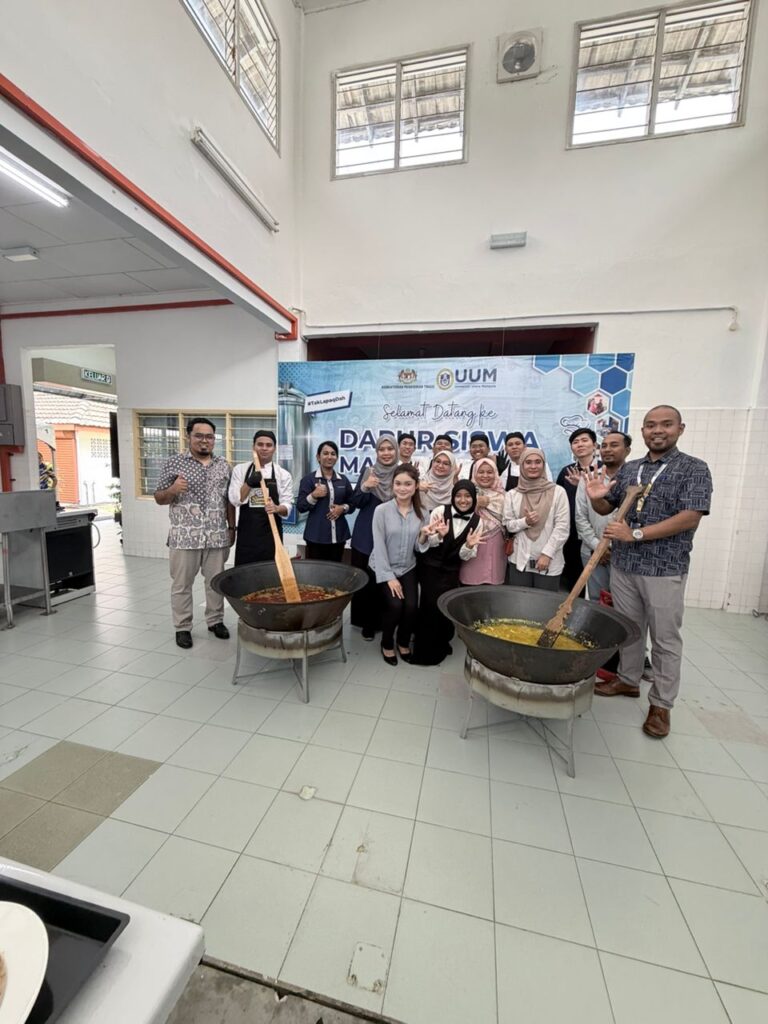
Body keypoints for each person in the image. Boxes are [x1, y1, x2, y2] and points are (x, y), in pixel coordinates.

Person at [585, 405, 713, 738]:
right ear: (642, 431)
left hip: (664, 568)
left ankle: (661, 705)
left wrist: (636, 534)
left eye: (666, 424)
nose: (658, 430)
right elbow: (608, 505)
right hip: (624, 566)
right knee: (629, 630)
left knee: (665, 638)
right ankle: (628, 680)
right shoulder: (631, 469)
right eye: (650, 425)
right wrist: (596, 498)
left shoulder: (694, 469)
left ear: (680, 429)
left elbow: (691, 516)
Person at [154, 417, 235, 648]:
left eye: (209, 436)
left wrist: (232, 528)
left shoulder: (224, 465)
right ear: (188, 436)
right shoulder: (174, 463)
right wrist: (172, 489)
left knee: (215, 583)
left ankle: (215, 621)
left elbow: (229, 501)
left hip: (216, 536)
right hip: (184, 538)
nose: (204, 440)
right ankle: (182, 627)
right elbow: (159, 497)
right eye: (199, 435)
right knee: (182, 585)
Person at [412, 480, 483, 665]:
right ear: (453, 496)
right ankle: (424, 653)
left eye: (467, 496)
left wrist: (469, 545)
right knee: (429, 608)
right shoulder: (439, 511)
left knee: (444, 608)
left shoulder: (478, 521)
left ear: (474, 498)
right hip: (430, 567)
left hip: (451, 571)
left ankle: (442, 644)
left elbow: (465, 556)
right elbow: (428, 543)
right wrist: (439, 536)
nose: (463, 500)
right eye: (458, 495)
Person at [369, 463, 431, 665]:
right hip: (383, 566)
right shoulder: (381, 511)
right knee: (395, 606)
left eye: (407, 484)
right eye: (398, 483)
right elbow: (379, 546)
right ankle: (387, 643)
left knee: (412, 606)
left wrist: (423, 536)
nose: (402, 488)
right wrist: (389, 578)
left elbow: (419, 547)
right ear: (392, 485)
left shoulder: (423, 513)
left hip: (407, 566)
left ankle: (403, 642)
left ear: (416, 486)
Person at [349, 435, 398, 640]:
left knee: (384, 580)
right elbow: (355, 502)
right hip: (366, 534)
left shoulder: (401, 473)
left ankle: (384, 622)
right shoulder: (369, 471)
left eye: (390, 449)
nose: (386, 453)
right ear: (376, 452)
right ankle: (365, 623)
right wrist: (365, 486)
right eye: (381, 449)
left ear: (396, 451)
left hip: (390, 534)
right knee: (365, 580)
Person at [575, 432, 632, 599]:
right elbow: (580, 516)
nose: (607, 450)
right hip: (592, 550)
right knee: (596, 600)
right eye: (604, 446)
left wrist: (612, 547)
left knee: (624, 602)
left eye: (614, 445)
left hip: (625, 553)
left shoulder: (636, 479)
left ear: (627, 450)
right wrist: (598, 546)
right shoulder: (589, 478)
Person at [503, 448, 569, 590]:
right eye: (528, 462)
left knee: (545, 602)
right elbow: (508, 524)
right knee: (519, 601)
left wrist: (547, 554)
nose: (533, 466)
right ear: (522, 465)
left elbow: (562, 527)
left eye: (538, 462)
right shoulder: (512, 495)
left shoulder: (558, 492)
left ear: (544, 465)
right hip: (519, 561)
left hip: (549, 561)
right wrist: (525, 522)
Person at [229, 430, 293, 567]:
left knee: (270, 574)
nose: (264, 448)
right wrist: (249, 483)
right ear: (253, 447)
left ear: (274, 449)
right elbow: (235, 500)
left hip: (271, 536)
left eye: (269, 445)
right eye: (260, 444)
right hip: (247, 536)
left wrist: (276, 508)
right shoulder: (240, 470)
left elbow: (287, 506)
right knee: (244, 574)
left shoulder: (283, 474)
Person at [556, 427, 600, 590]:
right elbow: (558, 501)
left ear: (594, 445)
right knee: (573, 580)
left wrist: (582, 485)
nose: (580, 444)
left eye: (584, 440)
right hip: (571, 534)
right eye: (575, 442)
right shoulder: (566, 472)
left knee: (597, 583)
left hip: (596, 534)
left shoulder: (603, 470)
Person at [296, 440, 353, 561]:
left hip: (338, 537)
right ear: (318, 457)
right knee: (316, 571)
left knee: (335, 569)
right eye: (325, 453)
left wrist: (342, 508)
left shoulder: (343, 480)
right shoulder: (308, 480)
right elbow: (300, 506)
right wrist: (313, 495)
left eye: (333, 454)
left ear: (337, 457)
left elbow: (352, 503)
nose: (329, 457)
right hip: (315, 537)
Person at [459, 457, 507, 585]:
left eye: (489, 472)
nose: (485, 476)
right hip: (471, 541)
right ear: (474, 473)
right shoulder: (465, 494)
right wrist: (475, 504)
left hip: (495, 543)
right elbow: (459, 518)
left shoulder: (504, 495)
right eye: (481, 472)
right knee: (470, 580)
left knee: (492, 581)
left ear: (495, 473)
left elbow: (509, 522)